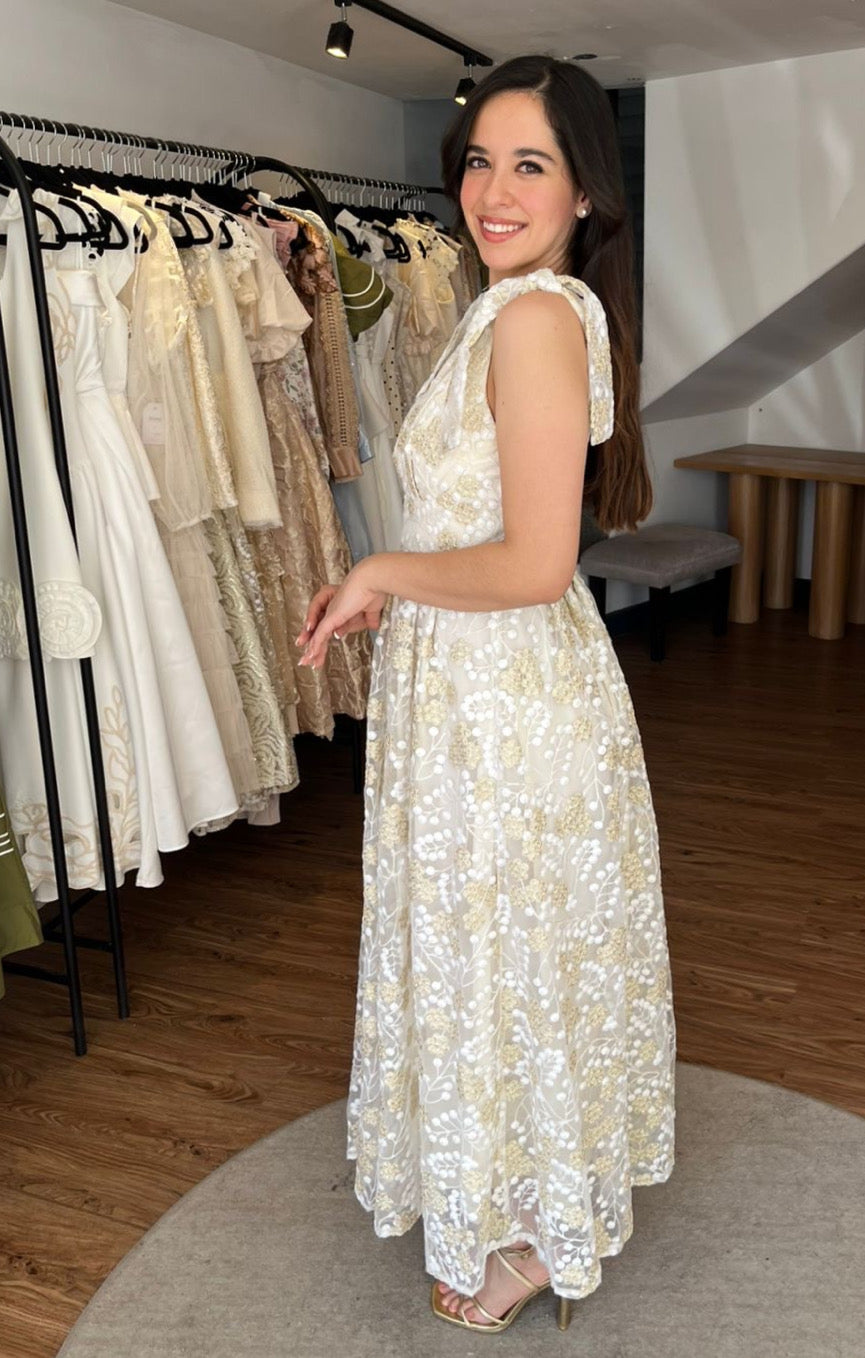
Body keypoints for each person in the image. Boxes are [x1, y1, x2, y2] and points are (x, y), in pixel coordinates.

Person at [296, 53, 676, 1335]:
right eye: (478, 161)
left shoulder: (534, 317)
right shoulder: (509, 305)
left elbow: (535, 562)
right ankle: (524, 1189)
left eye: (530, 165)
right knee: (502, 947)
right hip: (477, 682)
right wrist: (398, 585)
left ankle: (532, 1227)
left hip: (505, 694)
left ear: (585, 192)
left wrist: (380, 571)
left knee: (503, 948)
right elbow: (490, 536)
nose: (494, 191)